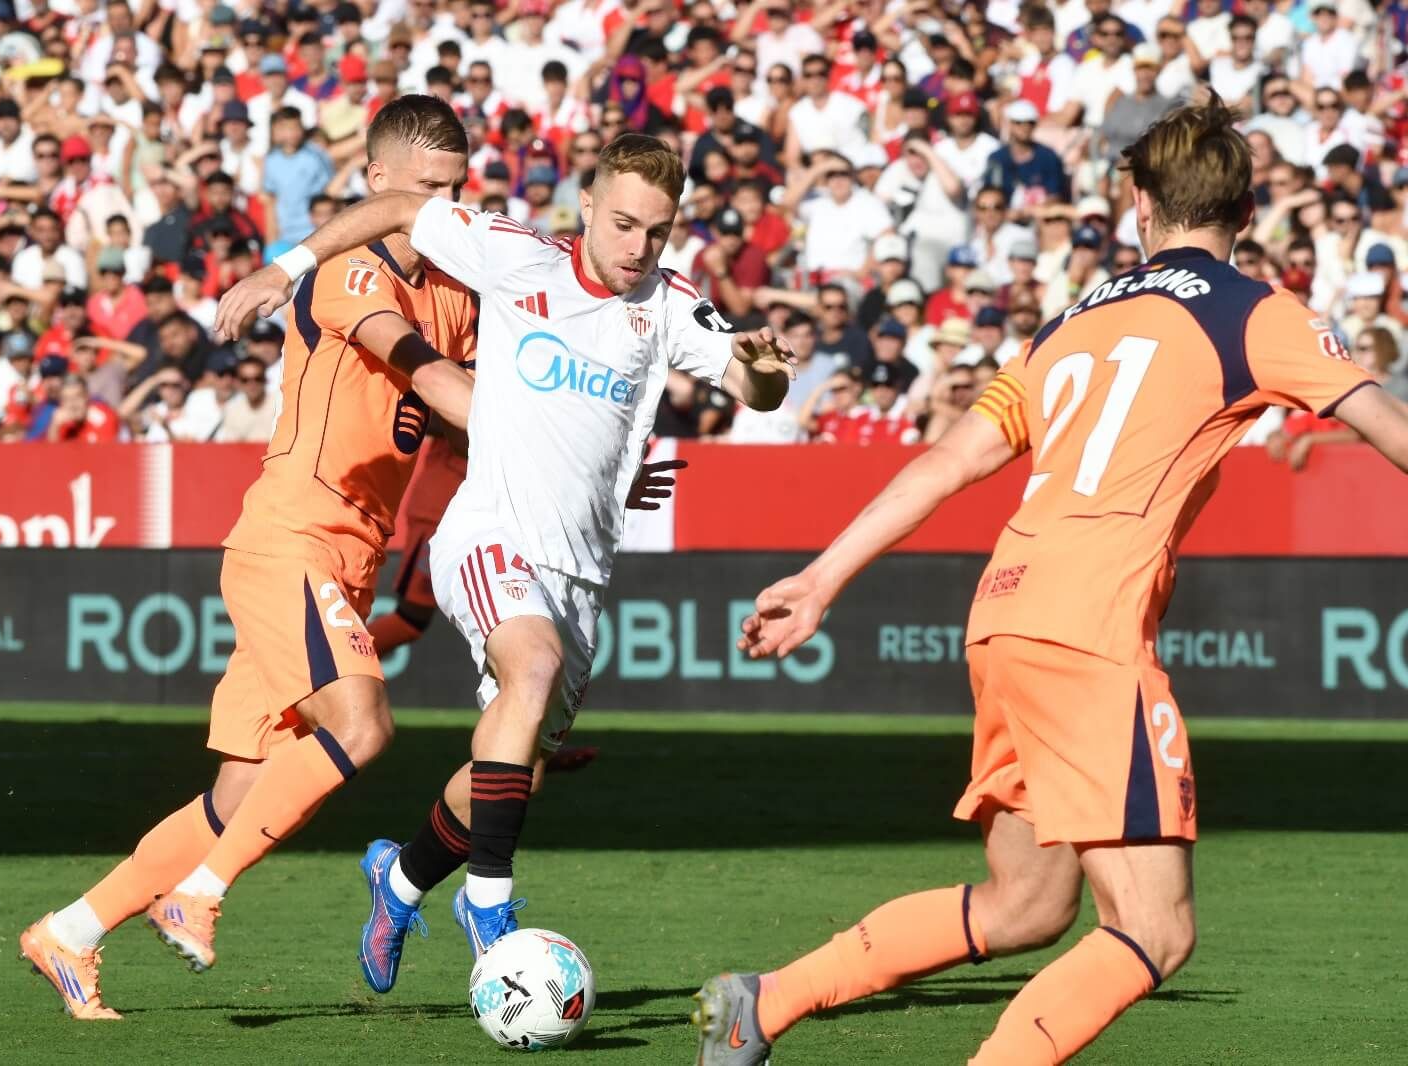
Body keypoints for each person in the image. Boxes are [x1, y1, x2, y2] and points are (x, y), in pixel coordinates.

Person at [693, 93, 1408, 1065]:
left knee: (1024, 904)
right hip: (1088, 633)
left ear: (1139, 205)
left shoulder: (1072, 321)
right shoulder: (1257, 315)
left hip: (1004, 615)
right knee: (1155, 930)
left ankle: (761, 1001)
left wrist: (822, 578)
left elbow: (946, 460)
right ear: (1245, 214)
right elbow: (1389, 430)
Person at [215, 132, 795, 989]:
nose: (639, 247)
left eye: (658, 233)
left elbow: (755, 387)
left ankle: (401, 879)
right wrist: (287, 265)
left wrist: (768, 371)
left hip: (581, 573)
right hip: (489, 535)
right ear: (589, 206)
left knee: (511, 761)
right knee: (531, 668)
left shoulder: (671, 305)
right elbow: (404, 207)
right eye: (625, 223)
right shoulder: (520, 259)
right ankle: (490, 903)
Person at [17, 96, 482, 1021]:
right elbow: (437, 383)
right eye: (429, 189)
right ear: (379, 184)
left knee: (236, 797)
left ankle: (69, 930)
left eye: (458, 189)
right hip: (291, 536)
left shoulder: (460, 293)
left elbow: (475, 411)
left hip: (349, 558)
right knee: (364, 726)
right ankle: (202, 891)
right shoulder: (349, 271)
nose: (447, 207)